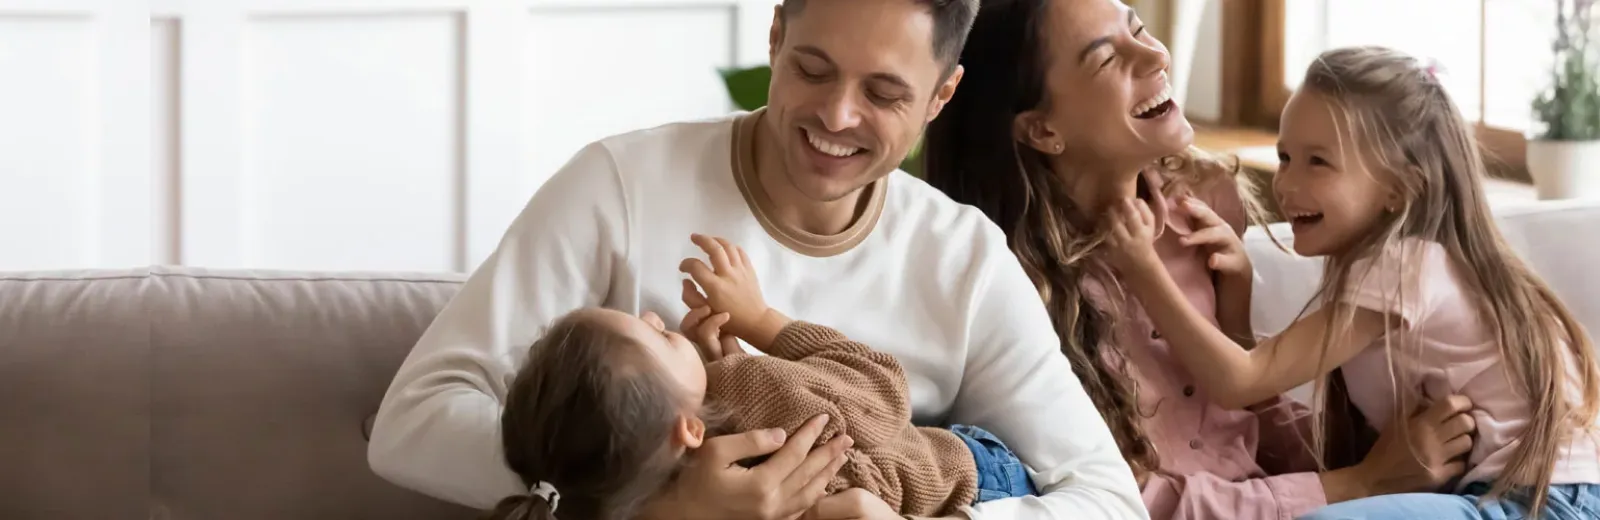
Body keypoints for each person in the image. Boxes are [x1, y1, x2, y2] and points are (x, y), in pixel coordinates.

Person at [367, 0, 1147, 518]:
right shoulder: (619, 186)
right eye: (812, 69)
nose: (836, 116)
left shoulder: (963, 259)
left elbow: (1108, 498)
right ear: (774, 36)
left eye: (883, 93)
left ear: (941, 96)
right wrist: (664, 503)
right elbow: (411, 423)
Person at [921, 1, 1484, 519]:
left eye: (1138, 28)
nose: (1156, 53)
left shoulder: (1202, 218)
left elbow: (1244, 433)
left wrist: (1379, 457)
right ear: (1043, 130)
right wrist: (1358, 484)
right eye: (1108, 57)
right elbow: (1133, 502)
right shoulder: (1014, 289)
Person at [1102, 46, 1600, 520]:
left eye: (1318, 162)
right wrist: (1236, 307)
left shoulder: (1402, 267)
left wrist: (1142, 267)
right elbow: (1259, 383)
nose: (1286, 184)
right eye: (1285, 156)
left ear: (1400, 188)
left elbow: (1241, 381)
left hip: (1539, 502)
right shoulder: (1403, 268)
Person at [483, 235, 1040, 520]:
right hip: (975, 481)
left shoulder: (638, 487)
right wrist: (763, 324)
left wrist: (715, 365)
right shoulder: (755, 397)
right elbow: (881, 387)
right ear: (689, 431)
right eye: (655, 335)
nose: (653, 315)